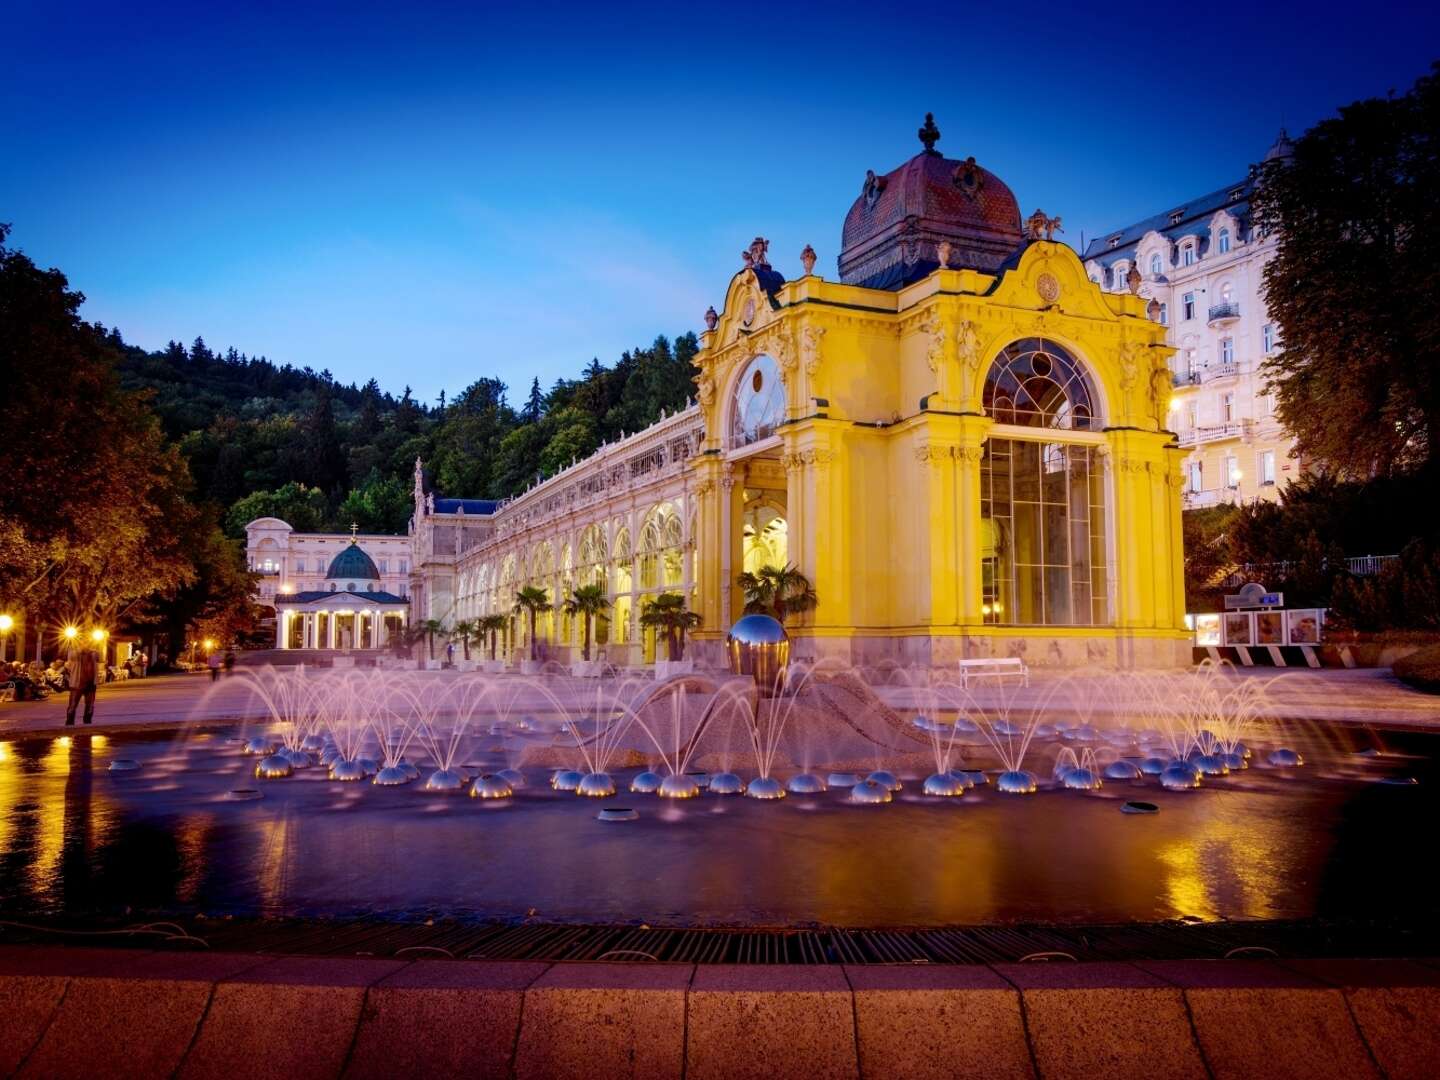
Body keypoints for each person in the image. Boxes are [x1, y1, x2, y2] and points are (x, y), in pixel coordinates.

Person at [65, 642, 100, 725]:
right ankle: (69, 723)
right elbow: (70, 661)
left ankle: (87, 722)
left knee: (90, 706)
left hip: (91, 684)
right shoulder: (75, 654)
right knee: (73, 705)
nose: (85, 645)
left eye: (87, 643)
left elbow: (99, 657)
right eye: (83, 643)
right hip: (77, 684)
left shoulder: (93, 654)